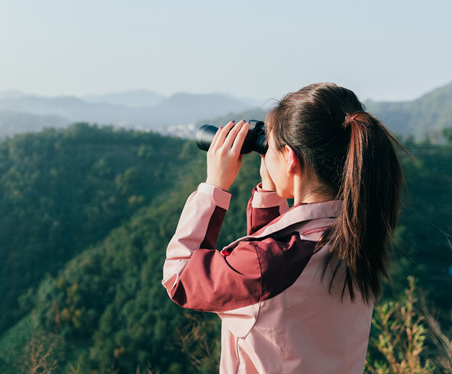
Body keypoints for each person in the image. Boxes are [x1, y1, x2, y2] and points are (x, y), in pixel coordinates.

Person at [162, 83, 404, 373]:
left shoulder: (269, 265)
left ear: (290, 159)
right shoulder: (355, 237)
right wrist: (270, 188)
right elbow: (276, 273)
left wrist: (214, 186)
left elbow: (179, 277)